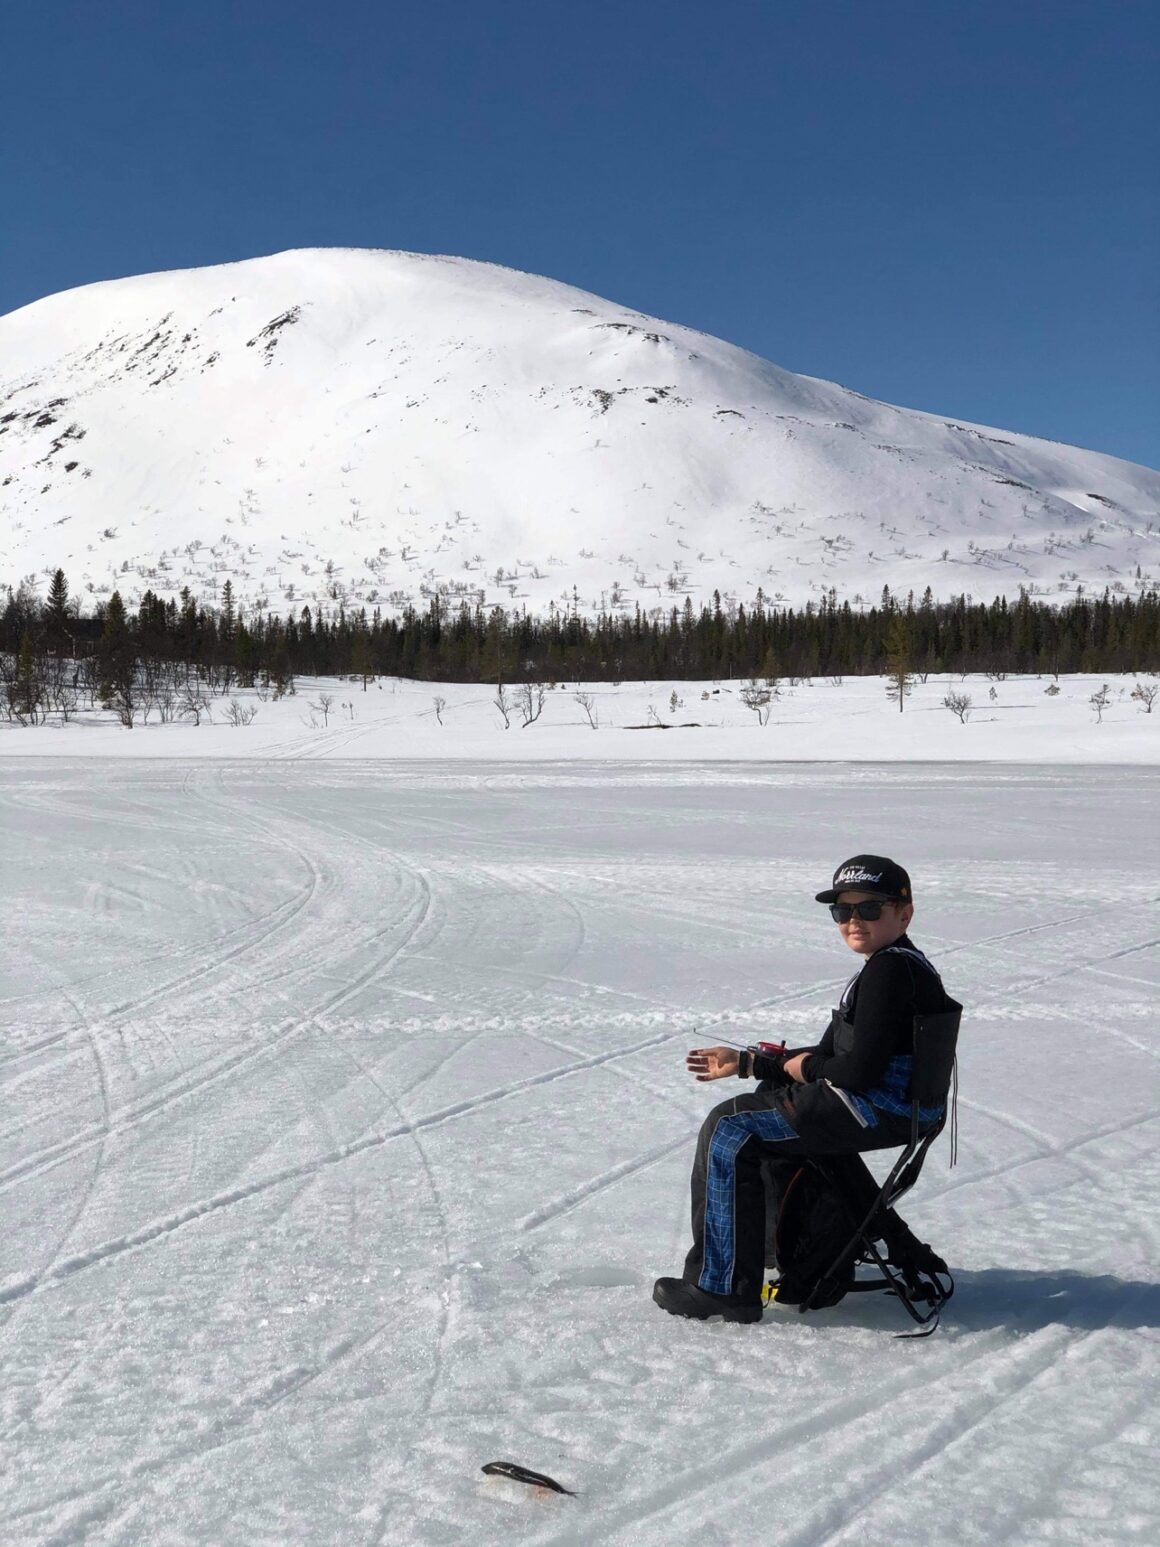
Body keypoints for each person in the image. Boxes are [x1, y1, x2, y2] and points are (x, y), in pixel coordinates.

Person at [653, 854, 955, 1323]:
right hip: (894, 1107)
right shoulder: (896, 966)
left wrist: (806, 1066)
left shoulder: (890, 972)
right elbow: (833, 1053)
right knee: (756, 1105)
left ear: (905, 913)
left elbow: (855, 1072)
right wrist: (751, 1063)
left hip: (873, 1107)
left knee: (729, 1127)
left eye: (869, 908)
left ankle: (722, 1287)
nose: (854, 920)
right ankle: (765, 1256)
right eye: (842, 910)